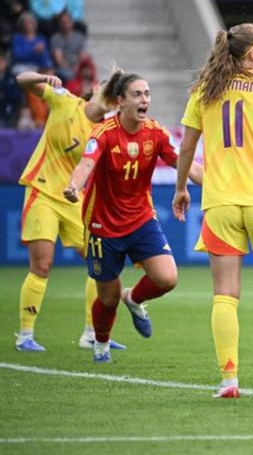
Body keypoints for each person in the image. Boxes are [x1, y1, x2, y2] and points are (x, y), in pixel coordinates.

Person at [172, 23, 253, 399]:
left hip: (220, 203)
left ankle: (229, 380)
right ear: (251, 54)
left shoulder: (206, 90)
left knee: (225, 295)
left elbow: (186, 148)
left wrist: (182, 187)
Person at [64, 69, 201, 363]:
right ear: (120, 101)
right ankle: (101, 344)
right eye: (137, 94)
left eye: (148, 94)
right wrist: (74, 186)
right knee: (107, 298)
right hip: (103, 225)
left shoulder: (155, 133)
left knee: (167, 278)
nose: (145, 100)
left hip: (141, 219)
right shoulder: (103, 132)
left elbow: (186, 165)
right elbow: (86, 164)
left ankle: (135, 299)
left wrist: (219, 185)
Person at [14, 70, 124, 352]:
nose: (109, 100)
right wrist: (43, 76)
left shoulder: (103, 133)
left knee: (100, 264)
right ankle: (25, 334)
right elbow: (21, 80)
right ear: (96, 90)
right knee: (42, 264)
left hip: (76, 200)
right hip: (43, 192)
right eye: (107, 90)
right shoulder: (65, 102)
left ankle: (91, 333)